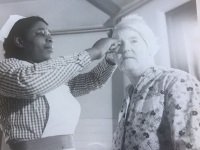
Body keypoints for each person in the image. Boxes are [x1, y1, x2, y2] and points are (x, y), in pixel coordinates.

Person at [0, 15, 120, 150]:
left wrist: (110, 59)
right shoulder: (7, 68)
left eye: (50, 34)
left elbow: (93, 80)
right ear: (20, 41)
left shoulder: (52, 76)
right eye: (40, 33)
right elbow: (29, 83)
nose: (50, 39)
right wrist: (93, 52)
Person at [111, 14, 200, 150]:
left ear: (150, 46)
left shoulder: (176, 81)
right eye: (118, 44)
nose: (125, 48)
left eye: (134, 41)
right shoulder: (129, 95)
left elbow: (190, 145)